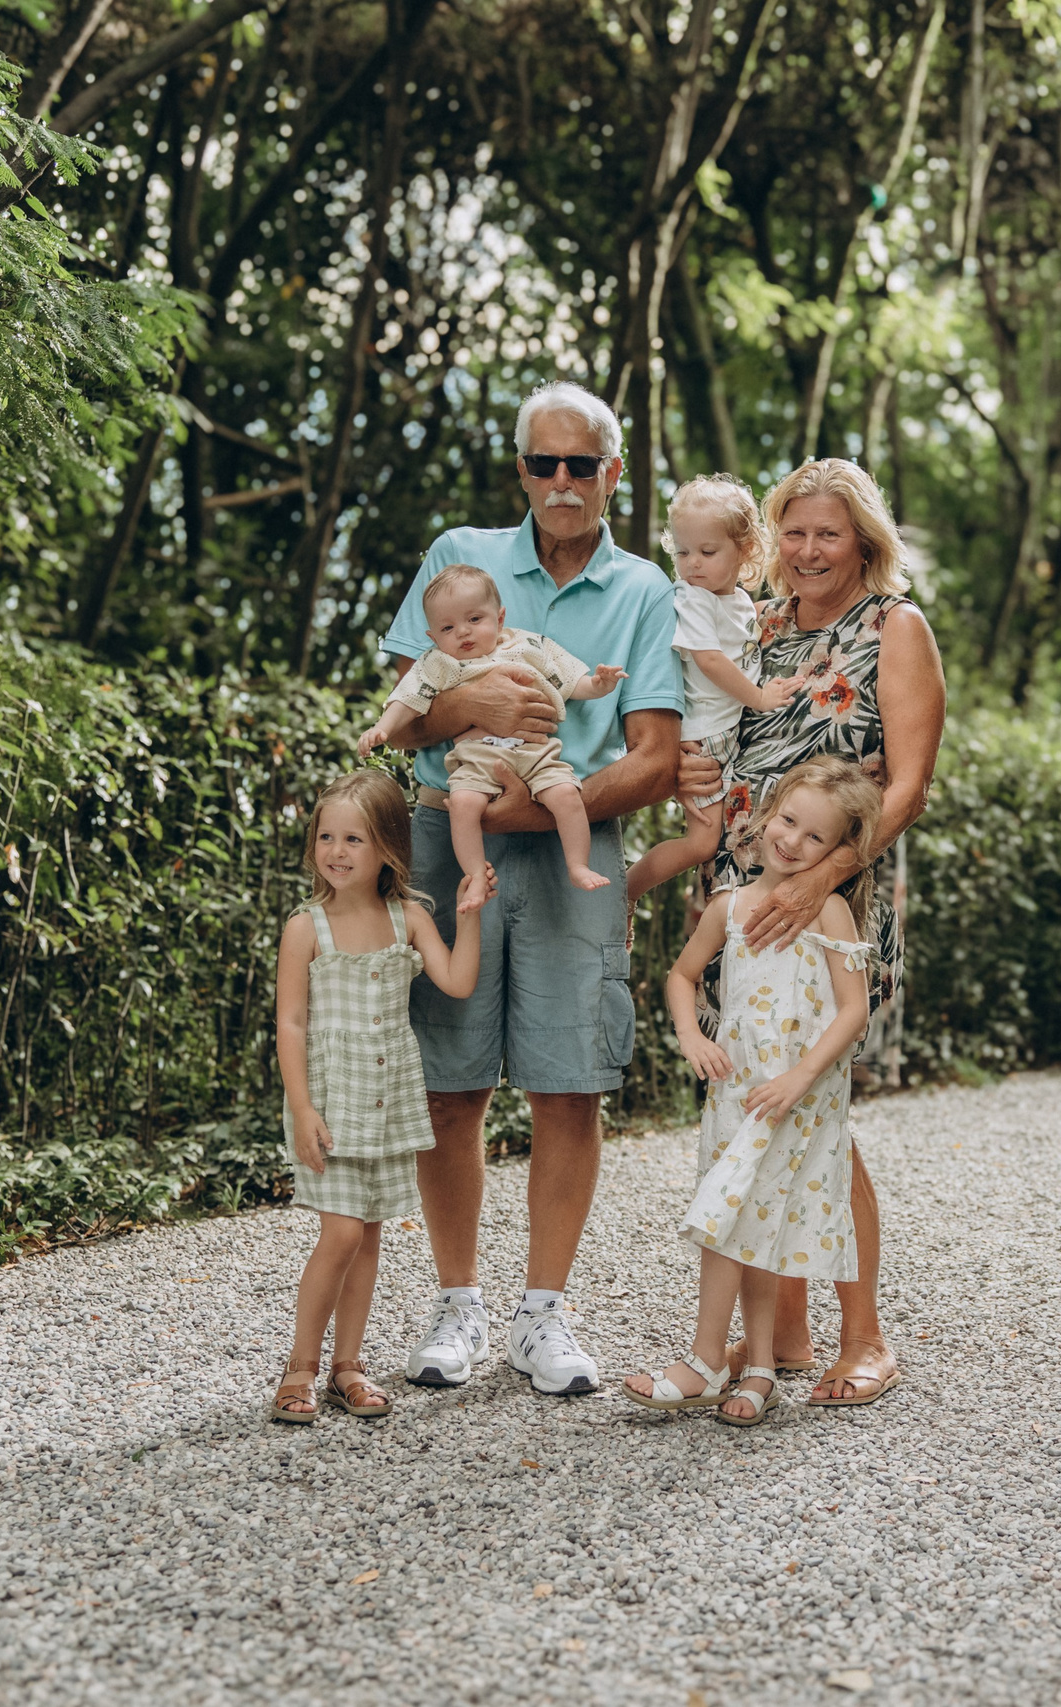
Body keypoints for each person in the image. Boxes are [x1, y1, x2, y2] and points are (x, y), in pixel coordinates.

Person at [374, 380, 698, 1396]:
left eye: (582, 464)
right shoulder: (457, 561)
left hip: (573, 842)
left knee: (570, 1086)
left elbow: (654, 757)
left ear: (613, 473)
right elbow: (401, 711)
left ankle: (542, 1316)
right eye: (543, 463)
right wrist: (466, 703)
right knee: (450, 1079)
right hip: (446, 839)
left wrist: (533, 808)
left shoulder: (646, 589)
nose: (562, 482)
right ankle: (457, 1306)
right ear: (521, 470)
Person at [708, 459, 945, 1408]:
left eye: (829, 534)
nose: (808, 551)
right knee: (757, 1107)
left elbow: (908, 785)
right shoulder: (755, 627)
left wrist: (819, 880)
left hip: (834, 904)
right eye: (794, 532)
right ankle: (784, 1334)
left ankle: (866, 1335)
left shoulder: (895, 627)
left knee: (818, 1114)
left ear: (864, 542)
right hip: (744, 895)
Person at [627, 758, 880, 1426]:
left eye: (815, 837)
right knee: (740, 1220)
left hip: (796, 1096)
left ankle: (707, 1359)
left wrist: (801, 1077)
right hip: (736, 1092)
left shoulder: (826, 909)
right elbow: (683, 975)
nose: (793, 841)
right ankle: (761, 1367)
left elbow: (852, 1009)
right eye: (789, 820)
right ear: (768, 815)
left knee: (738, 1221)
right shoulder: (729, 906)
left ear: (837, 852)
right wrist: (692, 1035)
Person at [269, 773, 491, 1424]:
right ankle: (299, 1368)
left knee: (367, 1236)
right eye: (326, 836)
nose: (336, 851)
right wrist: (302, 1109)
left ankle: (347, 1366)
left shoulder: (409, 918)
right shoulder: (306, 927)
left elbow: (457, 978)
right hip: (332, 1100)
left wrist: (470, 915)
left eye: (354, 839)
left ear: (388, 846)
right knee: (339, 1232)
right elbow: (290, 1024)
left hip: (386, 1098)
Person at [359, 563, 628, 893]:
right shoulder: (439, 663)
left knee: (567, 796)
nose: (463, 632)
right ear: (432, 637)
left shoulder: (526, 647)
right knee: (461, 805)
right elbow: (408, 697)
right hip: (476, 759)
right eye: (447, 628)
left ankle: (577, 864)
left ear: (499, 618)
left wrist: (600, 684)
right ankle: (475, 876)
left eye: (474, 620)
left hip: (536, 753)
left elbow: (570, 682)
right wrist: (382, 728)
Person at [623, 477, 800, 904]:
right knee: (702, 843)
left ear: (745, 551)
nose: (692, 564)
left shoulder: (737, 600)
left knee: (721, 835)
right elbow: (709, 659)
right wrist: (759, 697)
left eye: (707, 552)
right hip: (703, 738)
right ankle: (626, 891)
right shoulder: (693, 598)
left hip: (725, 731)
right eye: (682, 552)